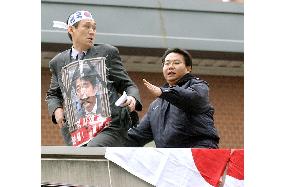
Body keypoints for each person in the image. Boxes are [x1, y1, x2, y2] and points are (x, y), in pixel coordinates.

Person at [46, 10, 142, 146]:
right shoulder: (58, 62)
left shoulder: (107, 53)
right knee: (79, 160)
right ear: (71, 29)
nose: (92, 31)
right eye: (86, 26)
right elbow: (53, 94)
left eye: (94, 28)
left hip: (110, 127)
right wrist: (56, 109)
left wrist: (132, 98)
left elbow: (128, 85)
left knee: (92, 149)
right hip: (78, 130)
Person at [126, 48, 220, 148]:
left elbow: (194, 98)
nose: (170, 66)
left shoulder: (198, 86)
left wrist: (163, 92)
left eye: (176, 63)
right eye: (167, 63)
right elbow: (137, 136)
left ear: (188, 68)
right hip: (170, 158)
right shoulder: (156, 105)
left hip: (198, 153)